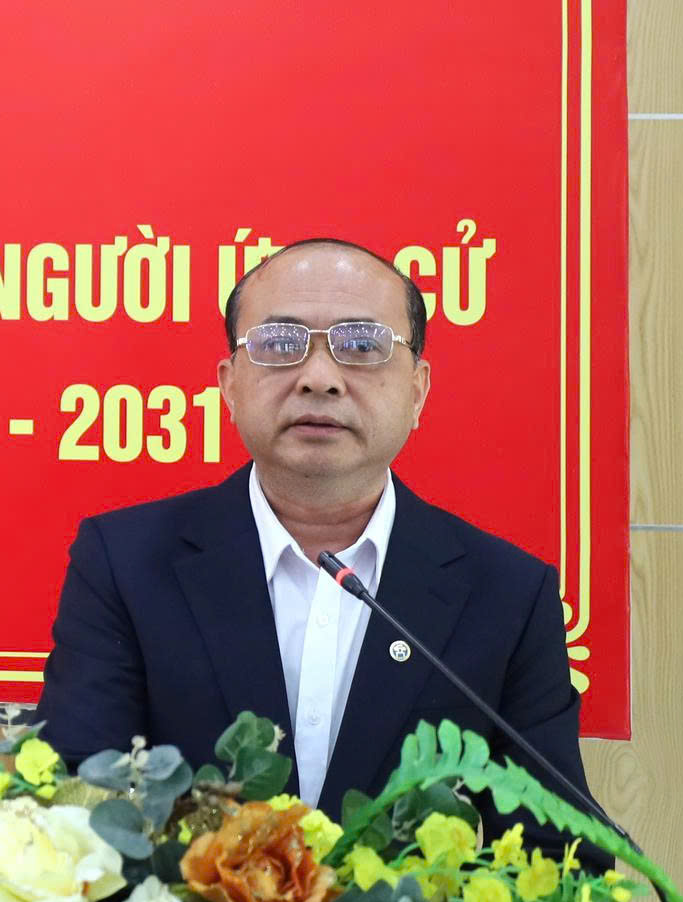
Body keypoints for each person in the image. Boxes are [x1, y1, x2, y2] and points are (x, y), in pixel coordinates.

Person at [36, 236, 589, 830]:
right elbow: (75, 817)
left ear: (417, 390)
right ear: (229, 384)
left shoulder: (507, 596)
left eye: (362, 345)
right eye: (280, 344)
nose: (320, 378)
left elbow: (558, 845)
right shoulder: (125, 564)